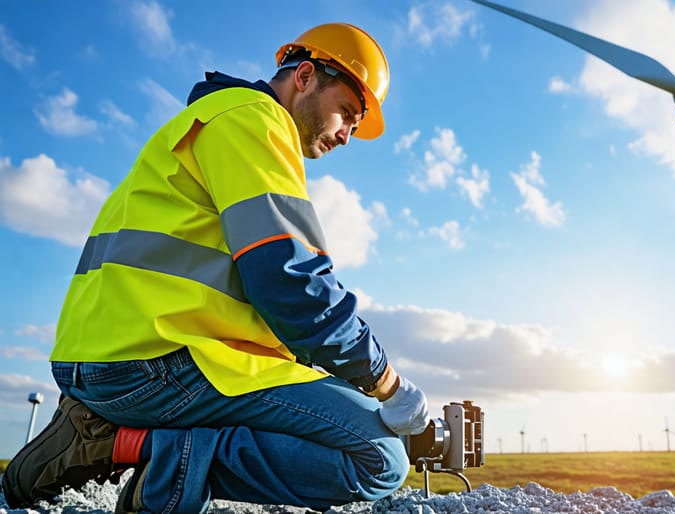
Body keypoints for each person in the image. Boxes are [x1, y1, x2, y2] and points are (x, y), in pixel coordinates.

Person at [1, 22, 429, 514]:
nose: (348, 135)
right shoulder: (256, 120)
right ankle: (126, 446)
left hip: (101, 357)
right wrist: (386, 382)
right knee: (378, 457)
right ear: (306, 76)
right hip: (154, 363)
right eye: (347, 113)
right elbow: (290, 284)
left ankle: (122, 440)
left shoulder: (209, 120)